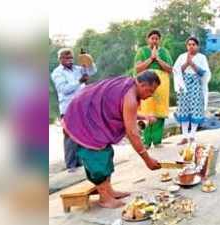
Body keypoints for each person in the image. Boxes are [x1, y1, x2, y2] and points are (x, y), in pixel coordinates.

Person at [62, 71, 162, 208]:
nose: (150, 95)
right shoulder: (131, 97)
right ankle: (104, 198)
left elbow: (124, 110)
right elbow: (132, 132)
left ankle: (109, 191)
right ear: (142, 84)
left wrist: (143, 117)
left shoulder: (130, 85)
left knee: (107, 152)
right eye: (150, 91)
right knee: (97, 157)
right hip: (83, 118)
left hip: (90, 114)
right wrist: (147, 159)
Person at [51, 48, 97, 172]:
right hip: (68, 108)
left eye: (71, 57)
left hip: (82, 105)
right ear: (60, 59)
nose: (69, 60)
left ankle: (80, 163)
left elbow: (92, 71)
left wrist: (87, 58)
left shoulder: (78, 69)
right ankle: (71, 165)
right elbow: (64, 89)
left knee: (82, 134)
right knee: (70, 136)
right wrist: (79, 81)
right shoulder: (57, 73)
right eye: (66, 58)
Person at [134, 30, 173, 149]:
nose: (154, 41)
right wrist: (151, 58)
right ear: (148, 39)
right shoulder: (142, 51)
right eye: (152, 38)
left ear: (159, 40)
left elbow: (170, 69)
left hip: (161, 84)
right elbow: (138, 68)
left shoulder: (164, 52)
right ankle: (146, 141)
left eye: (157, 38)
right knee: (146, 110)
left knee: (160, 113)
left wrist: (158, 59)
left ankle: (157, 140)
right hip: (146, 82)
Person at [173, 37, 211, 145]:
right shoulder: (181, 57)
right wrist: (187, 63)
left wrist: (192, 64)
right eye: (189, 44)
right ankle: (184, 136)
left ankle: (192, 136)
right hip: (183, 85)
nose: (191, 46)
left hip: (196, 85)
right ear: (186, 46)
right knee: (183, 110)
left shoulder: (202, 57)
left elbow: (204, 73)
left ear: (197, 46)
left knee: (195, 110)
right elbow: (176, 71)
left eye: (193, 44)